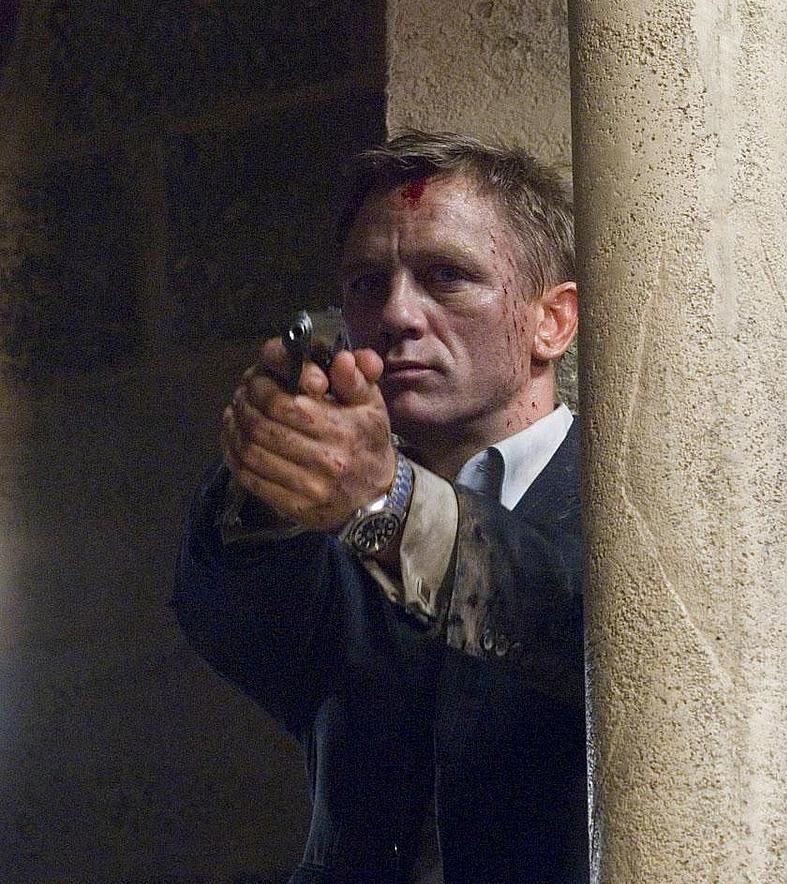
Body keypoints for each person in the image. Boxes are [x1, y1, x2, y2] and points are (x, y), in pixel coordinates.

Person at [174, 131, 587, 884]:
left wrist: (387, 503)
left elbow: (569, 625)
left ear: (552, 321)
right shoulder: (327, 514)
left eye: (447, 276)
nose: (396, 313)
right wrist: (269, 475)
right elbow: (226, 620)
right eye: (367, 284)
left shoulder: (627, 498)